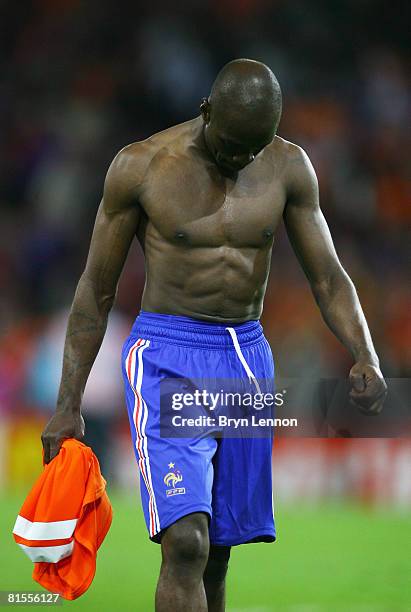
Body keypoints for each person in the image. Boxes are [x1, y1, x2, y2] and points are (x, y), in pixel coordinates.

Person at [41, 59, 387, 612]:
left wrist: (364, 352)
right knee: (186, 542)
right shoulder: (141, 166)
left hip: (245, 357)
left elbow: (328, 275)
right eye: (229, 143)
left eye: (253, 147)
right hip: (168, 354)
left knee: (220, 550)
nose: (238, 158)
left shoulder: (288, 167)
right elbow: (94, 292)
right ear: (206, 111)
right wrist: (67, 404)